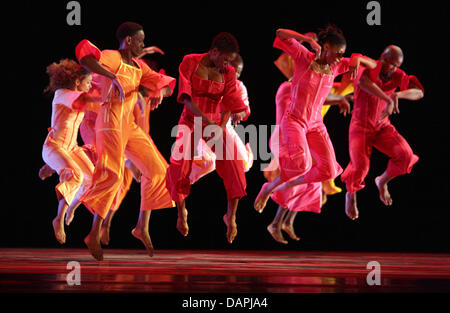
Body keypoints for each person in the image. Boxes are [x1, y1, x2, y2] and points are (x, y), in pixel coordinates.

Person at [75, 22, 176, 260]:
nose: (143, 44)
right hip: (109, 121)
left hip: (128, 125)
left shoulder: (139, 66)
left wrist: (159, 92)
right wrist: (112, 76)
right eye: (140, 40)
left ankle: (141, 227)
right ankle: (94, 233)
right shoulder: (113, 57)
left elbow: (166, 86)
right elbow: (85, 59)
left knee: (159, 170)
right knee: (114, 175)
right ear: (129, 41)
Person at [254, 25, 377, 214]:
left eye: (342, 54)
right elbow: (279, 33)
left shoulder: (336, 66)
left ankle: (279, 188)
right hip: (294, 120)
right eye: (338, 53)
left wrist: (355, 58)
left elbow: (374, 65)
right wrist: (310, 41)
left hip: (315, 125)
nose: (339, 57)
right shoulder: (303, 57)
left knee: (328, 171)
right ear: (326, 47)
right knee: (302, 164)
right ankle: (268, 188)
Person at [265, 34, 355, 244]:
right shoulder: (289, 87)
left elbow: (323, 95)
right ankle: (277, 221)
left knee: (314, 184)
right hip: (286, 136)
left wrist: (341, 98)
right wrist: (339, 98)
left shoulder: (314, 80)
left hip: (304, 135)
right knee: (300, 175)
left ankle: (285, 221)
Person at [165, 32, 249, 244]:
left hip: (214, 124)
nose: (227, 64)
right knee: (180, 166)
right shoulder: (190, 61)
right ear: (214, 52)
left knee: (235, 166)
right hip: (191, 120)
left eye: (230, 60)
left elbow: (229, 103)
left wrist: (219, 126)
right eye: (225, 58)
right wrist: (207, 122)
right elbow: (186, 98)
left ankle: (231, 217)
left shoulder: (228, 73)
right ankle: (181, 213)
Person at [341, 45, 424, 220]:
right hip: (360, 128)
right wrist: (387, 97)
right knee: (361, 167)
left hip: (382, 127)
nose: (393, 68)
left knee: (406, 156)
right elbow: (364, 83)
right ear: (383, 59)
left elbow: (419, 93)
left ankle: (382, 181)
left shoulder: (397, 75)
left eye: (396, 65)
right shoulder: (369, 67)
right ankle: (351, 193)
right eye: (390, 64)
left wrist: (397, 96)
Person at [41, 59, 96, 244]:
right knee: (75, 175)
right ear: (76, 82)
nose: (89, 87)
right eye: (87, 83)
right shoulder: (62, 94)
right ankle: (58, 218)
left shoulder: (79, 97)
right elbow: (82, 101)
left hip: (71, 148)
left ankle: (71, 207)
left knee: (93, 178)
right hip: (54, 147)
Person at [189, 54, 253, 184]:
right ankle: (183, 177)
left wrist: (238, 113)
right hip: (204, 127)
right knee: (208, 163)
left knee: (244, 165)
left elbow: (244, 110)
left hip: (224, 129)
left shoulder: (239, 87)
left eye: (238, 73)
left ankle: (247, 151)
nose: (235, 76)